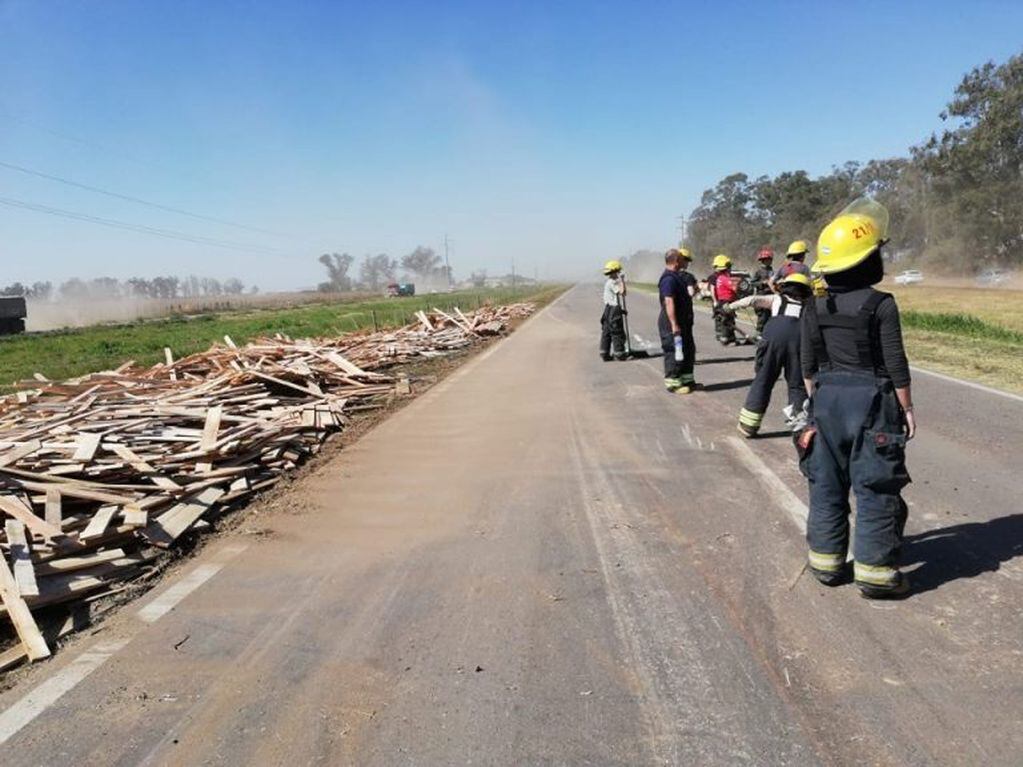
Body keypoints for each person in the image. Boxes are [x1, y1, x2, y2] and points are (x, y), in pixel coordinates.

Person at [799, 199, 915, 599]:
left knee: (826, 485)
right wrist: (907, 407)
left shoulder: (813, 306)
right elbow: (895, 362)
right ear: (866, 262)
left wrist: (817, 412)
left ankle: (827, 565)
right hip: (873, 406)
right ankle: (877, 574)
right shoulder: (881, 305)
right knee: (875, 486)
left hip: (826, 403)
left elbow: (807, 367)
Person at [727, 273, 812, 437]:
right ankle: (799, 427)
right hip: (799, 340)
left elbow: (751, 300)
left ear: (786, 286)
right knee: (797, 384)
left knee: (764, 378)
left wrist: (729, 307)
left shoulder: (777, 299)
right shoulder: (808, 306)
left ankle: (748, 425)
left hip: (773, 336)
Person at [657, 250, 697, 393]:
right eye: (681, 259)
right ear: (675, 261)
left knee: (688, 350)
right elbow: (669, 301)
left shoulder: (677, 276)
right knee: (674, 351)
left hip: (683, 321)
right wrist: (674, 324)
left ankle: (688, 380)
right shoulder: (668, 279)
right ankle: (673, 383)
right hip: (671, 323)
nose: (683, 262)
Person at [599, 260, 627, 361]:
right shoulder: (612, 282)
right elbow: (622, 292)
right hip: (613, 310)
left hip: (608, 310)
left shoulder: (609, 282)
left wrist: (622, 311)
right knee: (617, 331)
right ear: (615, 271)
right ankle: (619, 354)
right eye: (618, 271)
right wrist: (622, 280)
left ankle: (604, 353)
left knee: (606, 331)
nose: (619, 273)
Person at [710, 254, 737, 344]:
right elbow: (712, 289)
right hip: (722, 301)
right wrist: (714, 301)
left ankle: (730, 336)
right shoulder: (718, 277)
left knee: (728, 318)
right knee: (724, 319)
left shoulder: (720, 277)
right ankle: (723, 336)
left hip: (721, 301)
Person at [752, 247, 776, 334]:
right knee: (763, 316)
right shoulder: (758, 272)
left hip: (771, 296)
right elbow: (752, 283)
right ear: (763, 260)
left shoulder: (772, 271)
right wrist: (763, 283)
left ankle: (768, 333)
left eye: (770, 259)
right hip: (762, 295)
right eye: (768, 259)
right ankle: (759, 333)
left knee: (771, 315)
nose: (769, 261)